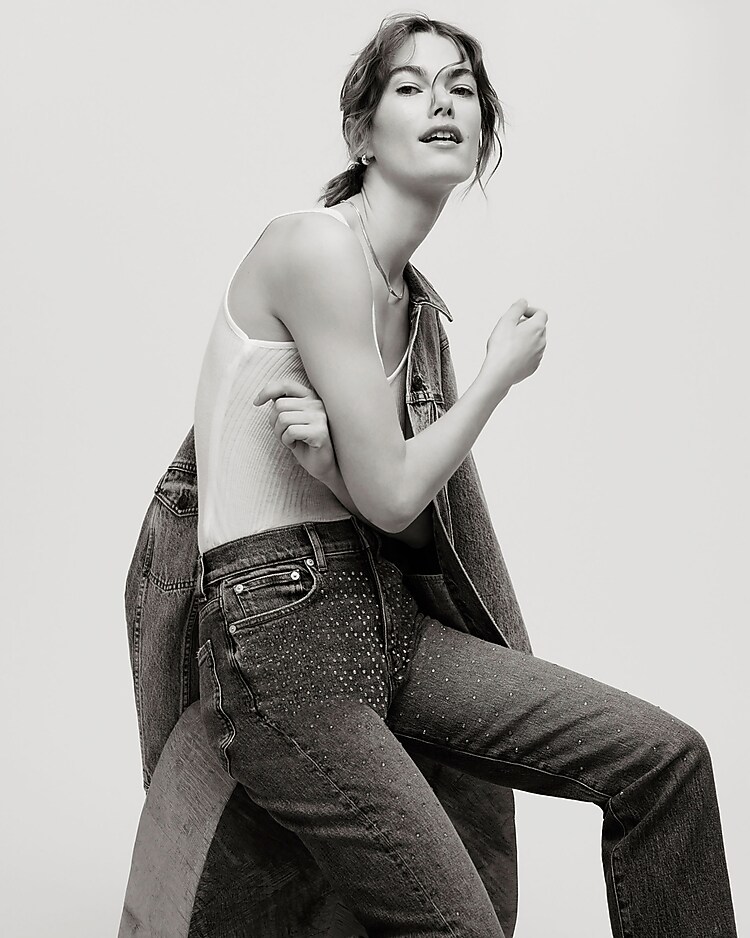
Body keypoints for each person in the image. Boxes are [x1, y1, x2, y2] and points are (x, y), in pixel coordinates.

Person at [191, 13, 737, 937]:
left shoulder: (414, 311)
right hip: (283, 647)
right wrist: (496, 377)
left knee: (665, 760)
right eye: (409, 87)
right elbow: (401, 492)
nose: (442, 101)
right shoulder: (318, 249)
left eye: (461, 88)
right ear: (361, 133)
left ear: (482, 131)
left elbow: (404, 529)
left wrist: (342, 479)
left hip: (386, 621)